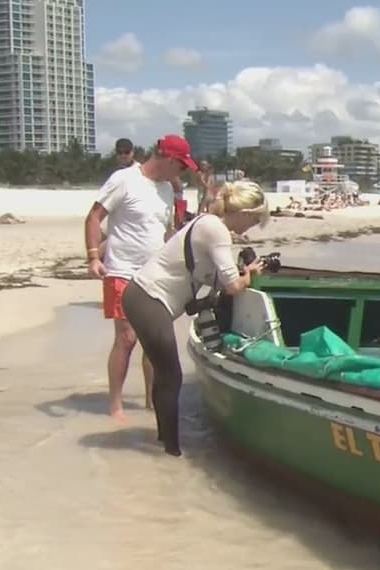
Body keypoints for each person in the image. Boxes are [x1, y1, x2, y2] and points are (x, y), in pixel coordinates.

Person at [122, 180, 270, 456]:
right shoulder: (216, 230)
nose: (251, 228)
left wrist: (240, 271)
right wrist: (249, 275)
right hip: (149, 298)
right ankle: (171, 451)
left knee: (165, 374)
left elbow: (211, 279)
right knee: (171, 375)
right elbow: (232, 286)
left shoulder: (207, 223)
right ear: (246, 213)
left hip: (141, 295)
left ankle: (163, 440)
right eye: (255, 220)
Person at [83, 134, 196, 421]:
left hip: (155, 275)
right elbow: (94, 217)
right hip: (121, 269)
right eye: (181, 166)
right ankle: (116, 405)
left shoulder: (167, 190)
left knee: (154, 340)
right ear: (169, 159)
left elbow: (166, 232)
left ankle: (149, 402)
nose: (181, 173)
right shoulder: (124, 179)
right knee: (127, 338)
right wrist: (94, 256)